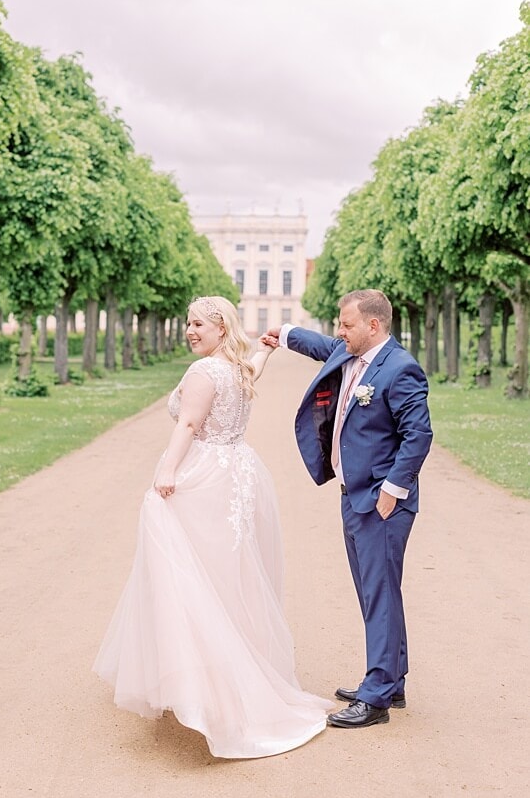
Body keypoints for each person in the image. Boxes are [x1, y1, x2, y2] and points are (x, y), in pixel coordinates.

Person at [94, 295, 331, 759]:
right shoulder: (240, 369)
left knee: (188, 573)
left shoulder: (204, 373)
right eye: (188, 323)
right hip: (238, 472)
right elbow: (253, 371)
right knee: (227, 574)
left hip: (205, 478)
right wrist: (266, 350)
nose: (189, 330)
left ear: (222, 328)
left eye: (199, 323)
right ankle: (223, 673)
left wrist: (167, 472)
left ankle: (201, 684)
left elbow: (187, 422)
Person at [264, 288, 432, 729]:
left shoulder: (400, 369)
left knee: (378, 594)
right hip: (353, 494)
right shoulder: (352, 354)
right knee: (375, 592)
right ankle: (391, 682)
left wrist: (391, 492)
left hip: (381, 502)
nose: (339, 332)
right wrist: (283, 334)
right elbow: (321, 346)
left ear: (373, 326)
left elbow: (419, 435)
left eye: (346, 324)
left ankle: (375, 698)